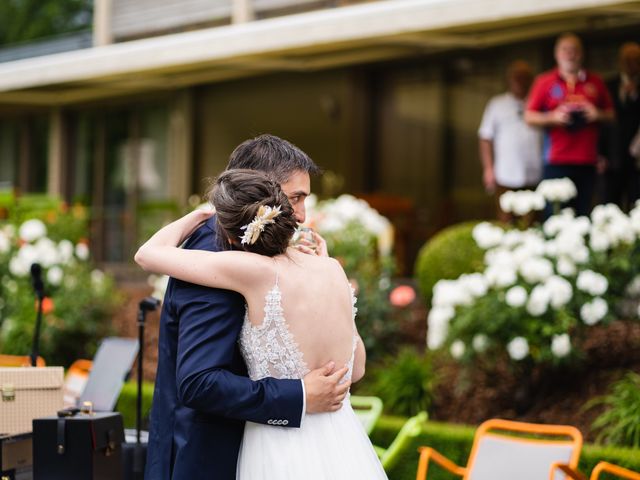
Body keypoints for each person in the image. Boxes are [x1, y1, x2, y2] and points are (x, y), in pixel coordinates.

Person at [136, 169, 388, 479]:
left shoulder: (252, 270)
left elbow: (147, 255)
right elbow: (357, 369)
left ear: (232, 235)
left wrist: (197, 216)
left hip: (280, 447)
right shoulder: (332, 268)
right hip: (341, 441)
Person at [525, 33, 614, 216]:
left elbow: (612, 116)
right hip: (556, 160)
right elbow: (529, 116)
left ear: (581, 54)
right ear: (557, 54)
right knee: (554, 216)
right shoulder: (544, 81)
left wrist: (596, 114)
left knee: (583, 216)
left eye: (574, 50)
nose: (570, 54)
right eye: (565, 50)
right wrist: (554, 117)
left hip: (587, 161)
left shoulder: (595, 82)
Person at [478, 60, 542, 222]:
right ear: (509, 79)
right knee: (505, 222)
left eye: (524, 77)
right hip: (505, 175)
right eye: (516, 77)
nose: (519, 81)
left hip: (534, 174)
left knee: (531, 223)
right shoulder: (497, 104)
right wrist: (488, 169)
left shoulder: (539, 103)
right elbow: (485, 138)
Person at [600, 42, 640, 210]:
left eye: (635, 59)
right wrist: (600, 153)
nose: (630, 63)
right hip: (612, 157)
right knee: (610, 207)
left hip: (638, 158)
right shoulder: (607, 85)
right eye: (626, 59)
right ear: (619, 62)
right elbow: (601, 124)